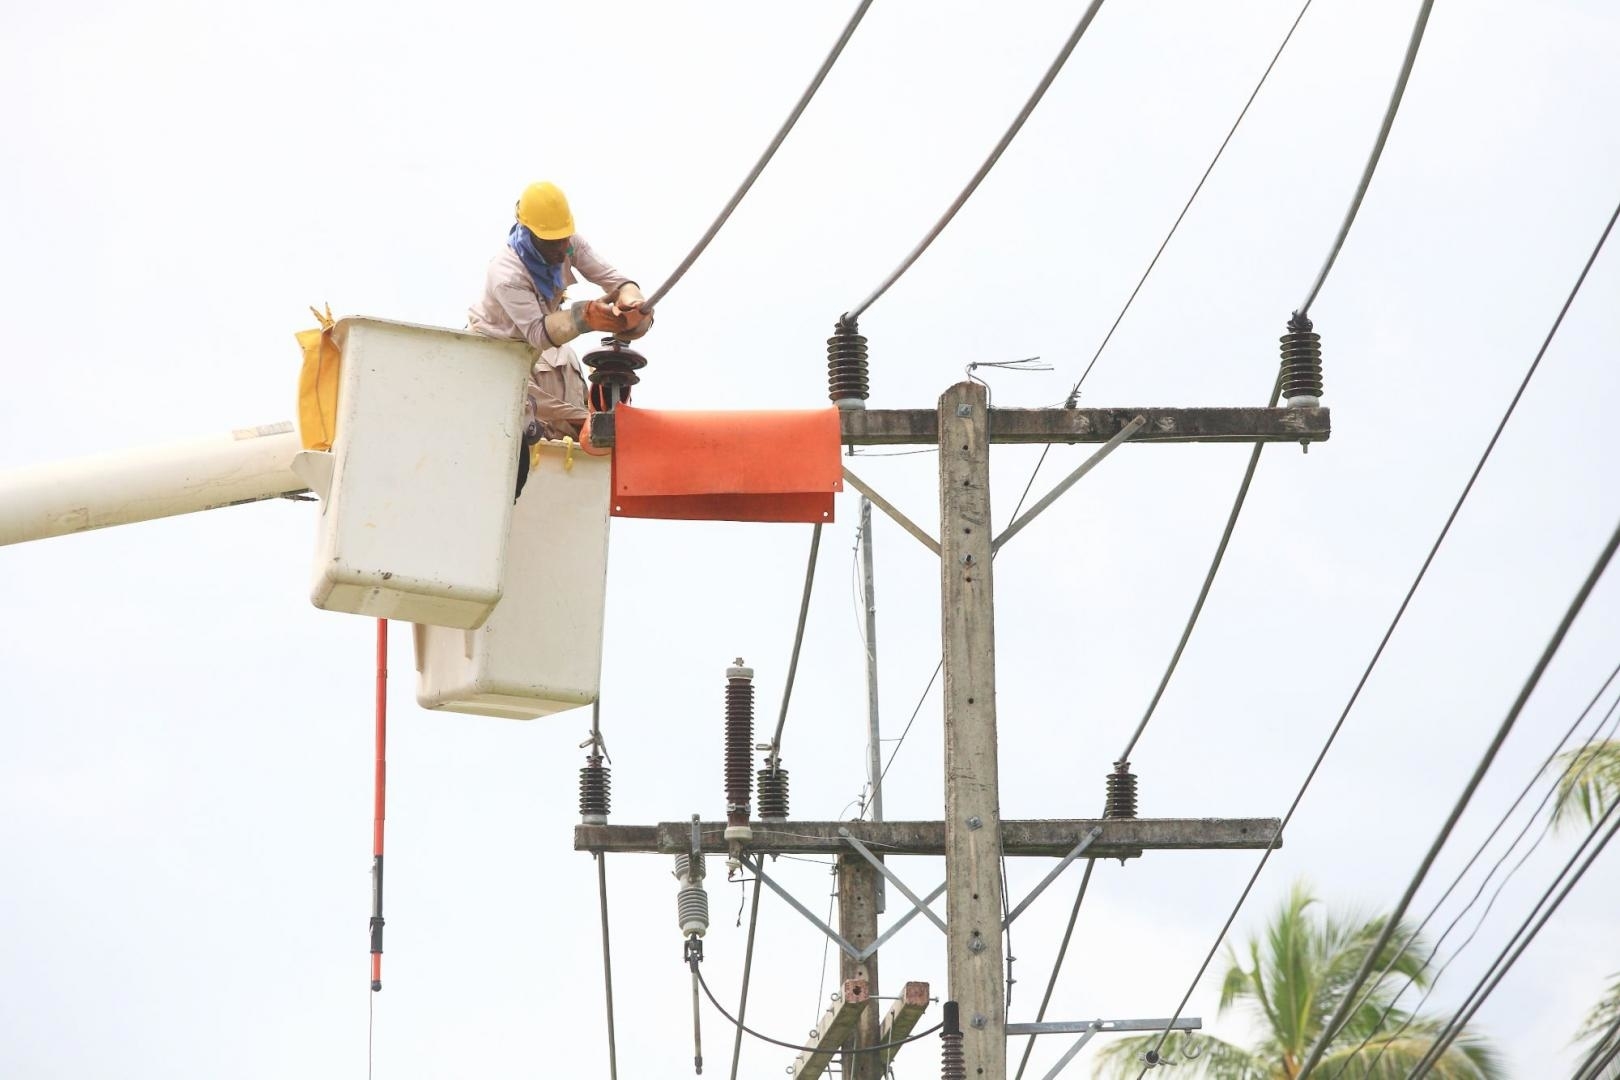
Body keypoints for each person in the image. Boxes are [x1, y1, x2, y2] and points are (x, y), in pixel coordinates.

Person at [468, 181, 650, 495]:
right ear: (528, 232)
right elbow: (540, 333)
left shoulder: (566, 243)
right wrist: (586, 317)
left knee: (516, 475)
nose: (559, 248)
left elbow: (614, 279)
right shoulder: (507, 274)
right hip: (491, 361)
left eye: (563, 238)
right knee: (507, 471)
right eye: (550, 241)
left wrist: (632, 302)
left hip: (526, 359)